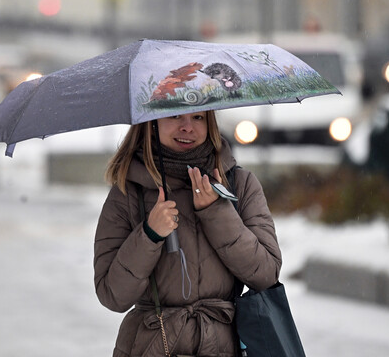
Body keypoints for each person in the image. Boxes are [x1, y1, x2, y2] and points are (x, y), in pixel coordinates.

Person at [94, 111, 282, 357]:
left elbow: (266, 275)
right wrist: (149, 235)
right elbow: (113, 295)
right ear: (152, 123)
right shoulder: (127, 193)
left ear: (210, 123)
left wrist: (216, 212)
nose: (187, 127)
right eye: (174, 116)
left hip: (224, 347)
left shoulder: (240, 184)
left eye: (198, 118)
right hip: (151, 347)